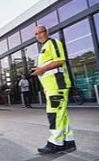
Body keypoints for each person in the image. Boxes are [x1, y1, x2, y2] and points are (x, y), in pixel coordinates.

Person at [31, 25, 76, 154]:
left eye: (41, 32)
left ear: (47, 32)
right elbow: (48, 67)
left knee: (54, 115)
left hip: (57, 86)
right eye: (36, 34)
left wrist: (41, 69)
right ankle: (68, 141)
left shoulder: (52, 43)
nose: (39, 35)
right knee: (62, 115)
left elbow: (60, 60)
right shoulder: (44, 47)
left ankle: (55, 143)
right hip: (52, 87)